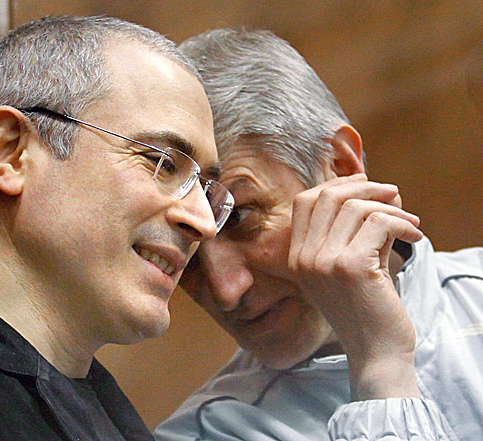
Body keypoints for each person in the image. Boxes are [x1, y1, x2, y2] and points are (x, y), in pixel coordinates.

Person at [0, 16, 235, 441]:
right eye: (162, 162)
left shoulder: (114, 419)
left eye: (206, 189)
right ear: (12, 152)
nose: (204, 222)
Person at [155, 29, 483, 441]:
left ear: (340, 168)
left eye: (239, 217)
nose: (225, 290)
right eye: (186, 248)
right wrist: (380, 367)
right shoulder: (207, 432)